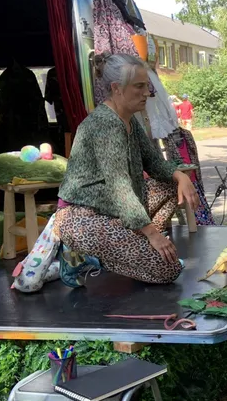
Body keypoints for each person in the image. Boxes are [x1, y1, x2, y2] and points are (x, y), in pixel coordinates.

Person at [55, 54, 199, 286]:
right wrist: (153, 234)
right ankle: (79, 255)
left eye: (147, 86)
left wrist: (180, 176)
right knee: (168, 270)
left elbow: (155, 163)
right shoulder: (105, 124)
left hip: (114, 214)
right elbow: (119, 188)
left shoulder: (130, 120)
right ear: (117, 88)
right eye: (139, 86)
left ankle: (133, 244)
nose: (147, 93)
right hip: (80, 219)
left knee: (171, 185)